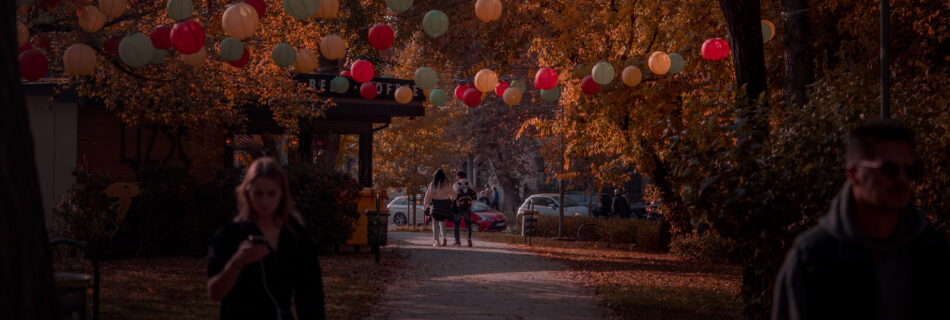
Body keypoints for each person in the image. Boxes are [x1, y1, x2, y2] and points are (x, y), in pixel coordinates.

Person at [772, 119, 950, 320]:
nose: (902, 180)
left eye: (910, 170)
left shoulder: (933, 252)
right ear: (853, 173)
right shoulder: (811, 260)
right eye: (889, 169)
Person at [206, 157, 324, 320]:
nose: (264, 201)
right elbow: (215, 293)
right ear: (247, 192)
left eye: (271, 193)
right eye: (258, 193)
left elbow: (310, 295)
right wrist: (236, 263)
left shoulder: (295, 235)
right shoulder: (231, 234)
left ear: (282, 193)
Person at [423, 169, 453, 247]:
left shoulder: (433, 184)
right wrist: (452, 199)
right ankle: (444, 237)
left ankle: (437, 241)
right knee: (442, 222)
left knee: (435, 223)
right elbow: (452, 193)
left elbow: (428, 195)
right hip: (445, 203)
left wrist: (426, 204)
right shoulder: (447, 183)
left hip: (435, 204)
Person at [452, 171, 477, 247]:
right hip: (467, 206)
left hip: (459, 206)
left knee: (456, 224)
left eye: (456, 176)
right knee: (468, 224)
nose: (456, 177)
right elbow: (474, 195)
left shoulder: (456, 185)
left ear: (458, 176)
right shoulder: (468, 183)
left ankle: (457, 241)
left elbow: (453, 196)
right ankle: (469, 238)